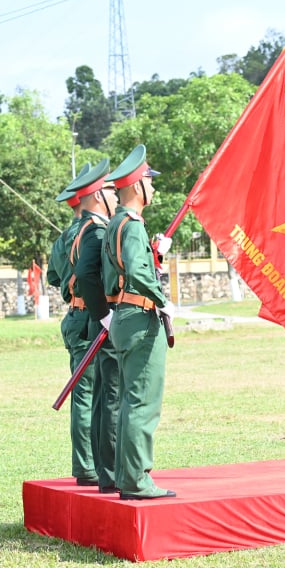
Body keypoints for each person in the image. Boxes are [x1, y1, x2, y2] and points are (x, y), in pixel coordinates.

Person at [101, 144, 175, 500]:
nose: (154, 188)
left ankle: (128, 476)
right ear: (136, 187)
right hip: (140, 318)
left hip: (124, 316)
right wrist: (163, 301)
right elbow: (137, 270)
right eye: (150, 181)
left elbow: (122, 271)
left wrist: (155, 254)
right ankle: (136, 480)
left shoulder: (117, 223)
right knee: (143, 402)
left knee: (132, 400)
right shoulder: (130, 226)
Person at [69, 158, 123, 494]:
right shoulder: (97, 231)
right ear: (100, 196)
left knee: (98, 397)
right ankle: (106, 471)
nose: (116, 196)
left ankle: (100, 470)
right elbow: (87, 278)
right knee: (105, 397)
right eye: (111, 191)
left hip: (82, 318)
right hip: (97, 320)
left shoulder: (79, 231)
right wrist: (103, 313)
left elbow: (62, 279)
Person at [48, 164, 97, 486]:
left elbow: (53, 277)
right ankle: (90, 467)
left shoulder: (64, 236)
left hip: (73, 315)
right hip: (90, 319)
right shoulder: (91, 231)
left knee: (84, 395)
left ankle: (88, 465)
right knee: (93, 395)